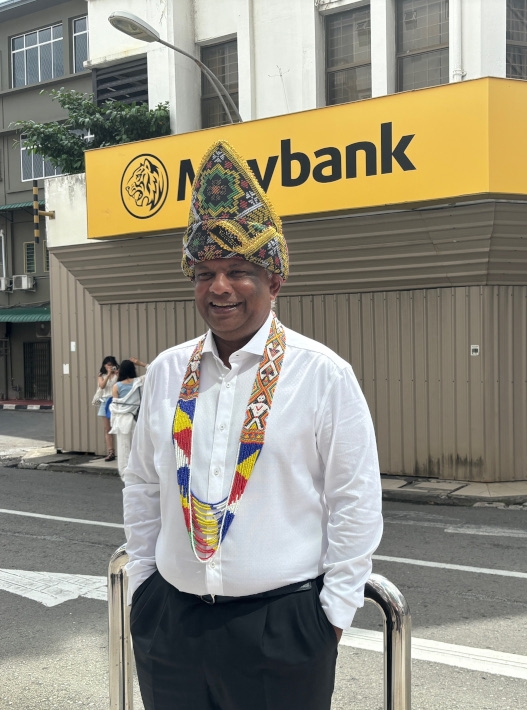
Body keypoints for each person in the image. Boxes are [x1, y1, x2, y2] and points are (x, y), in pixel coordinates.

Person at [122, 140, 383, 710]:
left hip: (282, 626)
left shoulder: (322, 374)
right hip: (172, 623)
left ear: (275, 280)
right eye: (206, 272)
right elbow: (142, 484)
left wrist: (333, 616)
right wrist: (143, 587)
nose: (219, 287)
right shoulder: (168, 372)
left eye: (239, 270)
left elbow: (355, 498)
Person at [109, 359, 143, 477]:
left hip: (122, 421)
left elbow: (115, 407)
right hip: (136, 419)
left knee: (124, 449)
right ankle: (139, 473)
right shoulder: (139, 382)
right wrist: (140, 363)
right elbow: (151, 370)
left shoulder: (116, 386)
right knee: (137, 448)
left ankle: (126, 474)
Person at [96, 356, 119, 461]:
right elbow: (102, 386)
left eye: (112, 364)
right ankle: (111, 452)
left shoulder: (117, 374)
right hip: (105, 401)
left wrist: (117, 374)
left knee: (119, 426)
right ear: (104, 365)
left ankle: (123, 451)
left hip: (115, 400)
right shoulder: (102, 375)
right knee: (107, 428)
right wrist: (108, 374)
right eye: (108, 364)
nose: (110, 367)